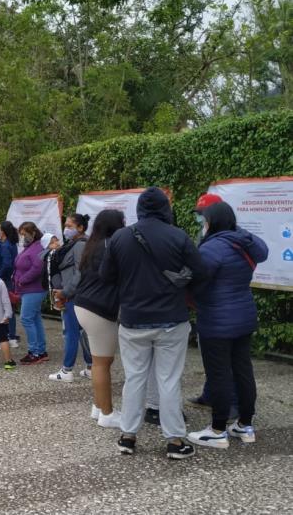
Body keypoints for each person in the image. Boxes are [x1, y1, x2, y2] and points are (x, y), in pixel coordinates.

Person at [100, 187, 207, 460]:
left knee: (135, 378)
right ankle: (174, 441)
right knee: (168, 380)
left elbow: (106, 276)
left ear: (139, 209)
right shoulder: (178, 236)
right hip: (172, 319)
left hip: (133, 320)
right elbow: (202, 271)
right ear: (164, 208)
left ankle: (127, 437)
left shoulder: (120, 238)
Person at [187, 202, 268, 449]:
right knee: (243, 371)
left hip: (216, 320)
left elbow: (198, 281)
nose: (203, 224)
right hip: (244, 316)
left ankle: (218, 429)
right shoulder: (245, 242)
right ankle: (245, 425)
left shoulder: (213, 248)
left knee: (219, 374)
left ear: (213, 222)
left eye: (205, 220)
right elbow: (262, 254)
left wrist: (189, 298)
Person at [74, 210, 125, 428]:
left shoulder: (92, 245)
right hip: (100, 309)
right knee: (103, 363)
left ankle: (98, 406)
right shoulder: (111, 246)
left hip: (84, 305)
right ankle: (107, 413)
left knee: (99, 361)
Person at [49, 213, 93, 382]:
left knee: (71, 333)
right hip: (75, 294)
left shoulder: (80, 245)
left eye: (69, 226)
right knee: (81, 333)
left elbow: (79, 272)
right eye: (65, 225)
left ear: (80, 228)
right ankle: (90, 367)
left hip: (73, 295)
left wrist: (65, 292)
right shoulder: (75, 243)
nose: (65, 229)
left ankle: (67, 370)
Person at [14, 222, 48, 365]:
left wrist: (22, 280)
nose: (22, 237)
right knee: (34, 319)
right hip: (30, 289)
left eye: (24, 234)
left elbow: (37, 267)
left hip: (33, 289)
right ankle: (40, 350)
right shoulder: (30, 247)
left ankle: (34, 352)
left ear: (33, 233)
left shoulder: (37, 247)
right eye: (20, 234)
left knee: (26, 319)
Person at [0, 221, 19, 347]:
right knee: (9, 307)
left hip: (3, 280)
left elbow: (6, 264)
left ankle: (8, 336)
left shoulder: (5, 246)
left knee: (4, 307)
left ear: (3, 231)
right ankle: (11, 335)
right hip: (7, 279)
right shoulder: (10, 244)